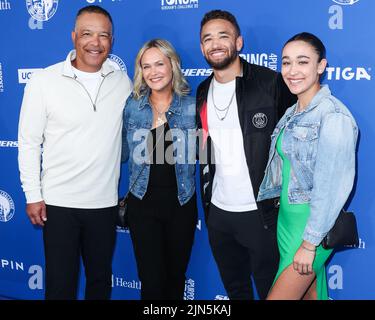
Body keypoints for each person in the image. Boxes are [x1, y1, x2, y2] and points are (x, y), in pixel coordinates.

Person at [18, 5, 132, 300]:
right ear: (73, 37)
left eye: (104, 35)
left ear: (112, 40)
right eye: (87, 34)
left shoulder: (122, 81)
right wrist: (33, 195)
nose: (96, 43)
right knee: (60, 286)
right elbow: (29, 142)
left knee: (99, 284)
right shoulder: (44, 81)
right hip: (58, 204)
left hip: (104, 204)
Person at [196, 10, 296, 300]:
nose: (215, 44)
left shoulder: (271, 83)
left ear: (238, 42)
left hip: (261, 215)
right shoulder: (202, 91)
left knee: (270, 292)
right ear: (202, 47)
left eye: (223, 36)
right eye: (207, 39)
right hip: (219, 215)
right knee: (235, 291)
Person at [258, 32, 358, 300]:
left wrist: (310, 243)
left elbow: (332, 186)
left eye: (302, 62)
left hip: (312, 228)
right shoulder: (292, 113)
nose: (292, 71)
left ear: (321, 66)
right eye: (286, 62)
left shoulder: (333, 116)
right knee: (311, 296)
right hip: (287, 223)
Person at [121, 39, 197, 300]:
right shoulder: (132, 107)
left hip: (181, 204)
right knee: (151, 282)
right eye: (146, 66)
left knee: (175, 280)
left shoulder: (192, 107)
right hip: (142, 205)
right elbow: (119, 152)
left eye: (159, 64)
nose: (153, 72)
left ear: (172, 65)